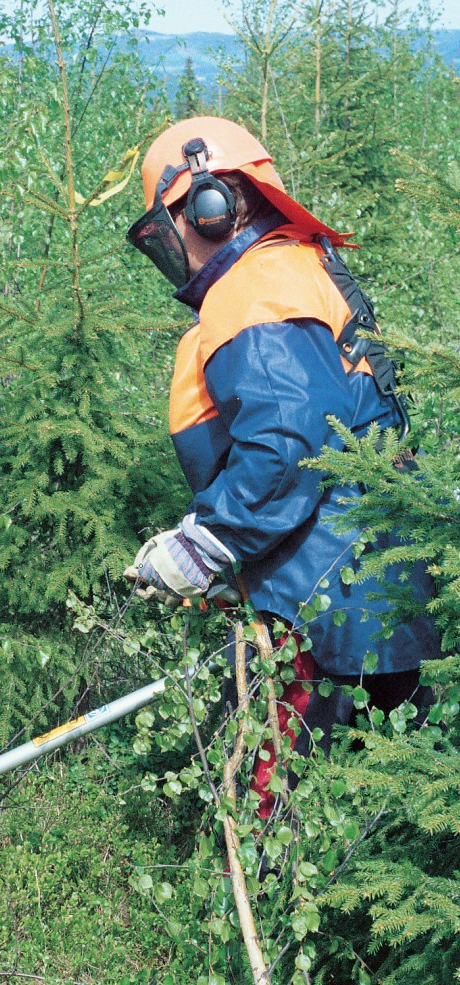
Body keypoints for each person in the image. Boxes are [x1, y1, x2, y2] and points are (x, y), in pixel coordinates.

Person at [123, 116, 440, 817]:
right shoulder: (298, 267)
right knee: (389, 801)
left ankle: (265, 911)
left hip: (314, 601)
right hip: (377, 587)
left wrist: (210, 541)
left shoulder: (256, 287)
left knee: (280, 800)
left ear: (209, 203)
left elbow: (287, 444)